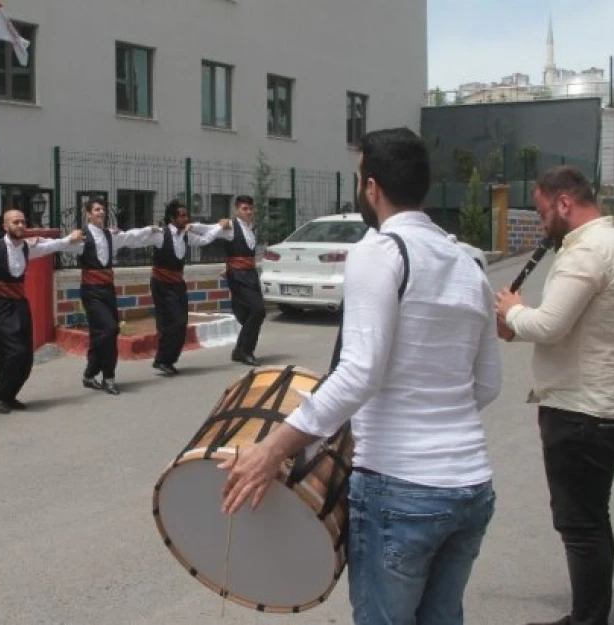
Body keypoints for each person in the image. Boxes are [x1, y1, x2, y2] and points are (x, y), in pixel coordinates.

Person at [221, 128, 502, 624]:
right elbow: (487, 385)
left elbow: (359, 372)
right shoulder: (468, 264)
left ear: (370, 187)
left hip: (401, 490)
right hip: (471, 488)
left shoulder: (381, 251)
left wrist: (273, 449)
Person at [496, 166, 614, 625]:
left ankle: (587, 619)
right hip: (599, 406)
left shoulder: (588, 251)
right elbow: (571, 329)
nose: (542, 224)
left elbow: (550, 325)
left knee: (580, 526)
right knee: (590, 520)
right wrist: (518, 328)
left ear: (564, 203)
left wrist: (513, 311)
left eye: (543, 212)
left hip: (584, 412)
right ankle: (590, 614)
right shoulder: (606, 245)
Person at [0, 209, 82, 414]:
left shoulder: (27, 248)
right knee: (11, 353)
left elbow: (52, 246)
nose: (20, 225)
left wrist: (70, 238)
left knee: (26, 356)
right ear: (5, 226)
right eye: (15, 222)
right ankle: (0, 396)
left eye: (23, 222)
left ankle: (10, 394)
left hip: (20, 305)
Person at [66, 197, 159, 395]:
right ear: (88, 214)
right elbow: (61, 245)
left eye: (103, 209)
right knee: (109, 329)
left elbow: (130, 237)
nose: (101, 212)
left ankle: (90, 374)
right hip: (91, 291)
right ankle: (109, 377)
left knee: (103, 333)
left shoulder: (110, 235)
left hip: (108, 289)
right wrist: (42, 241)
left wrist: (148, 230)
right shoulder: (82, 237)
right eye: (97, 209)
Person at [148, 199, 231, 375]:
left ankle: (166, 360)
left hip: (178, 283)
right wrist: (113, 235)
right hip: (161, 283)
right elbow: (134, 239)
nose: (186, 219)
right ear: (172, 218)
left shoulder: (186, 235)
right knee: (170, 321)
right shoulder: (160, 235)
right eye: (182, 216)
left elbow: (206, 239)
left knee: (181, 322)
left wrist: (218, 226)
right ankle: (162, 360)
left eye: (186, 215)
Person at [218, 195, 266, 366]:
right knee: (258, 310)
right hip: (238, 276)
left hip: (250, 274)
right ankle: (244, 351)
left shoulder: (252, 228)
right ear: (237, 210)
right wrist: (192, 227)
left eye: (250, 209)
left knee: (250, 313)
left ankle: (241, 350)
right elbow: (210, 231)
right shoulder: (230, 226)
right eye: (245, 209)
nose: (249, 212)